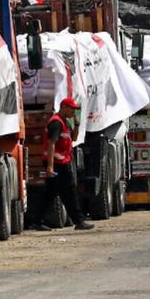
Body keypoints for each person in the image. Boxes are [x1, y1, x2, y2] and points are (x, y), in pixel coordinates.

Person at [31, 97, 93, 231]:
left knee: (50, 193)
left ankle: (36, 221)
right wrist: (50, 167)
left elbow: (74, 138)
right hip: (58, 165)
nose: (73, 112)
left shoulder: (65, 122)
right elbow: (51, 144)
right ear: (64, 107)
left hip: (61, 162)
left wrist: (76, 125)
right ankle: (79, 221)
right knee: (70, 191)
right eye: (72, 109)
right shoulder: (56, 123)